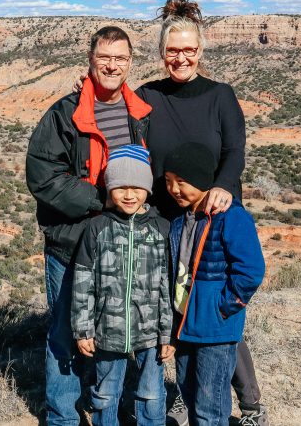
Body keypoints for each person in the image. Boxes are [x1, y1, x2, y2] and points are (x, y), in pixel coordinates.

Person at [136, 0, 269, 426]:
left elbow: (235, 150)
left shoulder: (220, 96)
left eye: (188, 50)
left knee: (213, 313)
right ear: (161, 52)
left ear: (201, 51)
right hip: (164, 215)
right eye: (173, 50)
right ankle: (181, 392)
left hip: (214, 212)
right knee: (176, 307)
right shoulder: (147, 96)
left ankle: (248, 404)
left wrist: (224, 188)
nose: (181, 57)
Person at [26, 25, 153, 426]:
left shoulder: (142, 114)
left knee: (109, 336)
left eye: (120, 59)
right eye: (104, 59)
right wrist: (103, 199)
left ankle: (103, 413)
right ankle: (62, 417)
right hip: (72, 244)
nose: (112, 66)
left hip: (120, 247)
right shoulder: (65, 113)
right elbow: (43, 177)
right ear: (91, 61)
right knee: (64, 334)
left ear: (130, 63)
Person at [164, 141, 266, 426]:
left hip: (216, 331)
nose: (174, 189)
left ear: (201, 179)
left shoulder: (230, 217)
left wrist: (223, 307)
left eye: (181, 182)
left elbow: (251, 270)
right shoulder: (178, 221)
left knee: (211, 405)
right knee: (189, 392)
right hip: (185, 327)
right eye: (169, 181)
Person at [71, 144, 173, 426]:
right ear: (109, 188)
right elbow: (83, 283)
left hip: (151, 333)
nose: (129, 195)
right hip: (107, 331)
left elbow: (167, 286)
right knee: (104, 394)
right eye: (120, 187)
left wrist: (169, 334)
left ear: (148, 188)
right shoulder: (97, 228)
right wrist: (83, 330)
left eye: (137, 187)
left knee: (152, 395)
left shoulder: (161, 229)